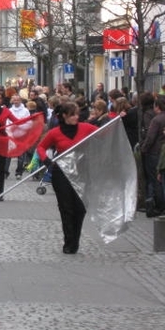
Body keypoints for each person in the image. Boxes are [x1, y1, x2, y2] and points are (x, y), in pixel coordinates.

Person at [36, 102, 97, 253]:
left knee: (80, 208)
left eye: (77, 114)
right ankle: (69, 241)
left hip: (81, 171)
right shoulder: (55, 133)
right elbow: (41, 147)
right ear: (64, 116)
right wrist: (45, 159)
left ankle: (75, 239)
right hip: (61, 173)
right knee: (66, 208)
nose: (76, 117)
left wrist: (119, 119)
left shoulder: (85, 128)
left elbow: (104, 132)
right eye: (72, 115)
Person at [140, 96, 165, 217]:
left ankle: (158, 206)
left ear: (158, 107)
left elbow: (150, 137)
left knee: (155, 179)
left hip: (154, 152)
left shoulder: (156, 120)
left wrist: (144, 149)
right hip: (162, 151)